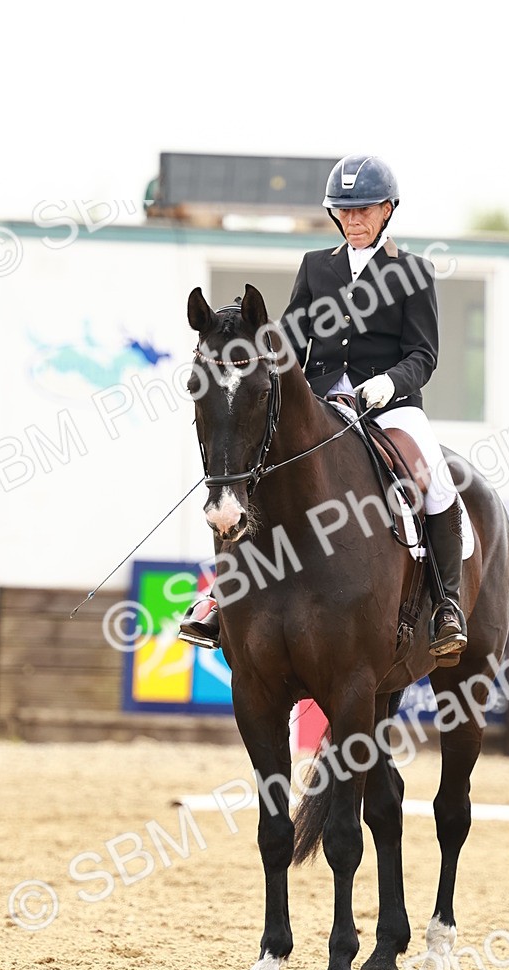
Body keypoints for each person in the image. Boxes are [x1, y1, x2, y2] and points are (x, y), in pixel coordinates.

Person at [179, 153, 467, 658]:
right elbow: (290, 335)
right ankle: (224, 598)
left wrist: (388, 384)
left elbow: (424, 354)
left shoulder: (414, 272)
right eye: (345, 211)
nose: (353, 220)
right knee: (253, 475)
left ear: (387, 211)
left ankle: (446, 603)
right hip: (321, 399)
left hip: (389, 405)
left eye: (364, 210)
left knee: (438, 483)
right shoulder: (317, 266)